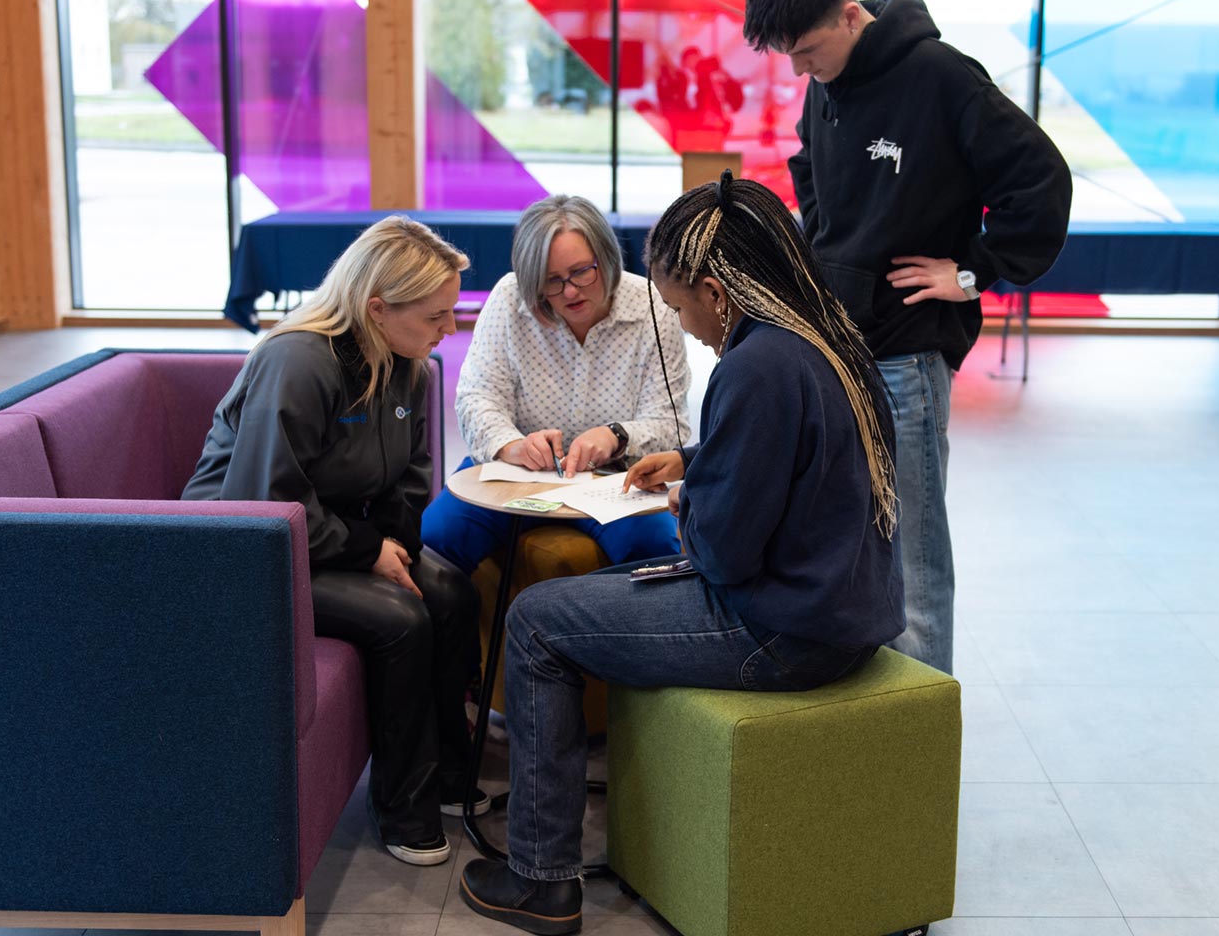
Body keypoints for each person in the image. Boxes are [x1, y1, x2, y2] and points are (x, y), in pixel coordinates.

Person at [457, 172, 904, 935]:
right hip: (842, 611)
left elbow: (723, 556)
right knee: (606, 588)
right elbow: (795, 461)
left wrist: (687, 500)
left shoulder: (753, 367)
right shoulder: (820, 334)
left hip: (782, 631)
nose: (681, 322)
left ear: (715, 290)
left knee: (534, 623)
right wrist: (699, 460)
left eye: (677, 302)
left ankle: (540, 878)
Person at [743, 0, 1073, 674]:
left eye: (806, 50)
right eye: (788, 58)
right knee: (850, 537)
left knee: (913, 556)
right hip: (838, 344)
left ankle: (920, 748)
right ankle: (877, 723)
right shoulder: (823, 81)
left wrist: (970, 273)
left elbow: (1041, 181)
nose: (799, 69)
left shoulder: (943, 78)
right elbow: (811, 168)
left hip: (906, 357)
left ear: (851, 14)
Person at [183, 216, 482, 868]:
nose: (450, 329)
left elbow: (410, 480)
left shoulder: (411, 368)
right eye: (437, 315)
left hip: (331, 532)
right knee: (401, 619)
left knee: (452, 594)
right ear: (377, 308)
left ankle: (454, 778)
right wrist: (369, 552)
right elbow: (261, 501)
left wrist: (393, 546)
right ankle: (404, 811)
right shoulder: (295, 361)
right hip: (248, 548)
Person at [420, 193, 691, 575]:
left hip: (614, 480)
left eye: (582, 272)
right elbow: (477, 398)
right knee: (436, 538)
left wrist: (615, 436)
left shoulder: (652, 309)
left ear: (606, 257)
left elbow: (671, 426)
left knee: (653, 547)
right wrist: (512, 446)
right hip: (519, 473)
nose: (569, 291)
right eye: (552, 281)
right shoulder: (510, 300)